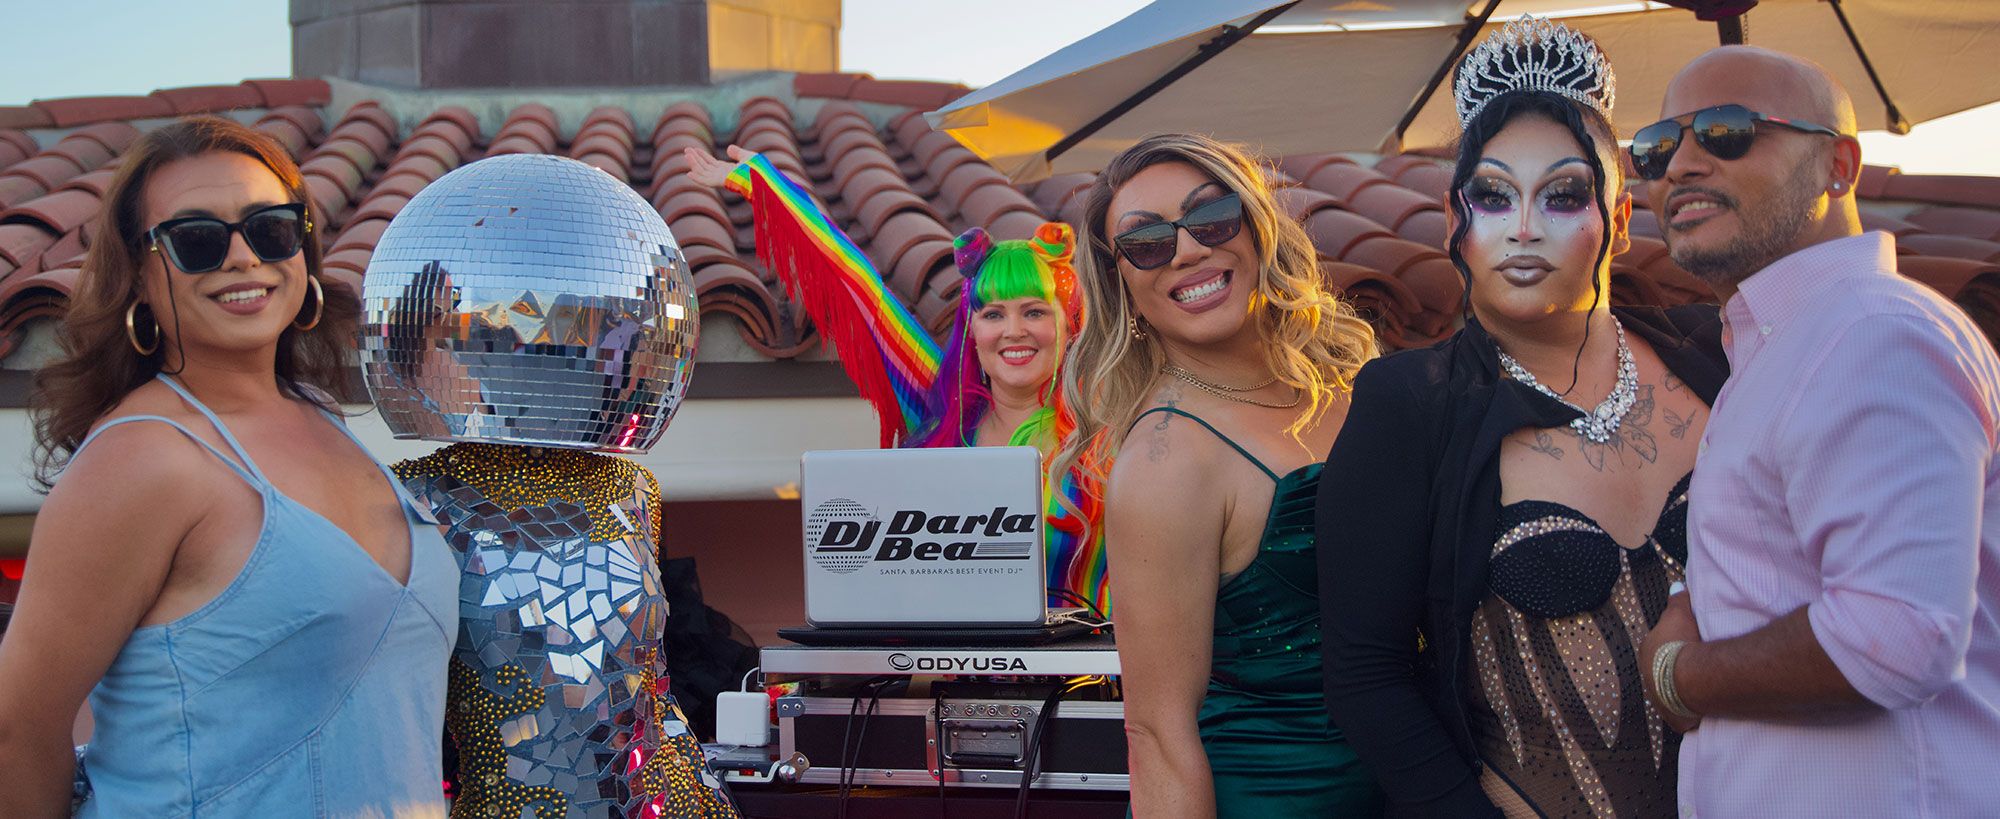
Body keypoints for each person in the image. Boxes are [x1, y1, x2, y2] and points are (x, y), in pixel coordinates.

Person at [1315, 19, 1729, 818]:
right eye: (1494, 195)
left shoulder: (1718, 356)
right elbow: (1367, 675)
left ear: (1623, 217)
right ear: (1452, 220)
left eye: (1566, 194)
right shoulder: (1408, 403)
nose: (1526, 226)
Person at [0, 116, 456, 817]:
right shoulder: (142, 459)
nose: (243, 258)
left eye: (270, 228)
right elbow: (17, 726)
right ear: (142, 278)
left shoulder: (322, 418)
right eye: (198, 241)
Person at [1632, 46, 2000, 816]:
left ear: (1839, 165)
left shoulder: (1872, 336)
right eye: (1659, 147)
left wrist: (1677, 672)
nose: (1683, 165)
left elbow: (1893, 635)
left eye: (1728, 131)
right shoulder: (1787, 348)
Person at [361, 153, 739, 818]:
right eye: (454, 338)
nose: (487, 359)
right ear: (414, 353)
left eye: (493, 337)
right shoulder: (409, 498)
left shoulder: (632, 487)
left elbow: (655, 686)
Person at [1051, 132, 1382, 817]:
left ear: (1257, 229)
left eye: (1210, 217)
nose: (1190, 249)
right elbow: (1159, 734)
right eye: (1148, 242)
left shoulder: (1353, 388)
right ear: (1124, 285)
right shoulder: (1167, 462)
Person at [685, 146, 1109, 609]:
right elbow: (860, 288)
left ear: (1068, 324)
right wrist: (765, 186)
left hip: (1085, 676)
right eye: (993, 313)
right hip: (951, 675)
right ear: (973, 330)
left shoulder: (1108, 430)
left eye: (1033, 311)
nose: (1013, 331)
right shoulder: (943, 410)